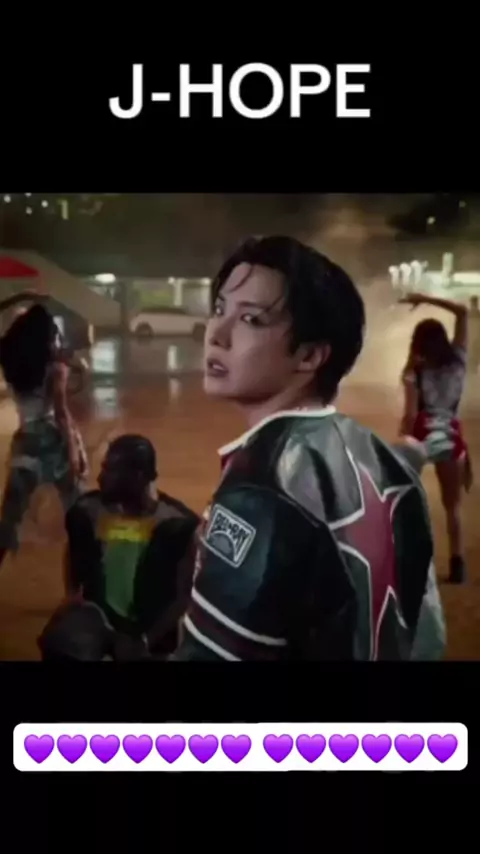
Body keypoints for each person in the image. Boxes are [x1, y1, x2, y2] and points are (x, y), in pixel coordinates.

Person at [172, 236, 446, 662]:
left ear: (310, 356)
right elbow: (428, 639)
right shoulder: (389, 463)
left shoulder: (257, 493)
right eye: (220, 309)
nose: (217, 336)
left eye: (251, 319)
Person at [38, 434, 199, 661]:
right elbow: (73, 554)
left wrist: (144, 641)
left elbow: (184, 595)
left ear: (139, 476)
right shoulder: (88, 510)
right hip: (100, 625)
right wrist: (75, 602)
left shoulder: (178, 524)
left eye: (111, 471)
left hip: (151, 637)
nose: (101, 478)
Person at [0, 293, 88, 567]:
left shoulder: (11, 361)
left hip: (25, 442)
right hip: (53, 441)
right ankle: (81, 580)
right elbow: (61, 413)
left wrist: (22, 296)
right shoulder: (56, 369)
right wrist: (74, 452)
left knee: (9, 520)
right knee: (79, 517)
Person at [398, 293, 471, 584]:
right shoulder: (459, 361)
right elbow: (462, 311)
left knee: (405, 501)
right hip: (451, 435)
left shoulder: (414, 371)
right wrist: (426, 298)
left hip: (422, 434)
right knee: (452, 506)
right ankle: (457, 564)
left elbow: (410, 415)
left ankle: (407, 561)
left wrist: (403, 445)